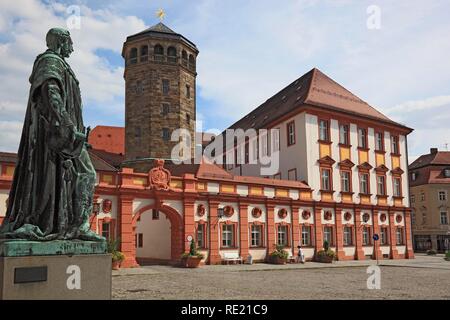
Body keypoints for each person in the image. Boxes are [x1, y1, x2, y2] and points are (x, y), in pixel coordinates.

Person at [0, 28, 103, 241]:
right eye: (70, 43)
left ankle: (73, 224)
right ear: (60, 42)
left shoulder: (59, 63)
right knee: (85, 174)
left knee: (77, 175)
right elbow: (50, 91)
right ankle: (77, 225)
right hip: (55, 132)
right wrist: (65, 122)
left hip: (68, 134)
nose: (72, 48)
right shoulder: (50, 61)